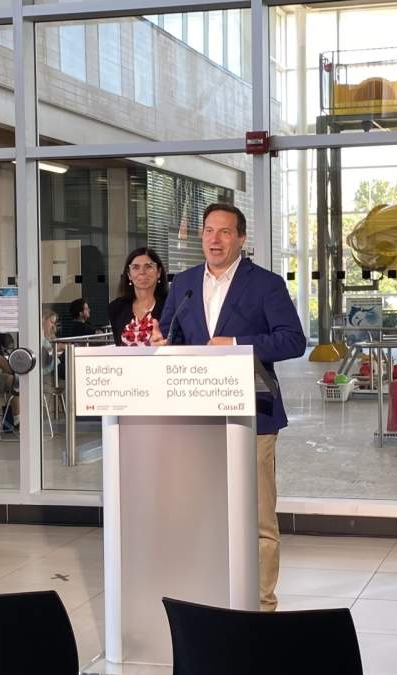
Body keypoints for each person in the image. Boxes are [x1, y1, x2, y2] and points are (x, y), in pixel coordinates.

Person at [153, 202, 305, 611]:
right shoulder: (183, 283)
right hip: (197, 416)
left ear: (241, 239)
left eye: (224, 232)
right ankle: (208, 598)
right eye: (208, 231)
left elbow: (293, 340)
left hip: (253, 414)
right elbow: (174, 341)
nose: (215, 239)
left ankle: (260, 605)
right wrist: (161, 346)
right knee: (202, 513)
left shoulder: (266, 284)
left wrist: (238, 344)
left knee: (257, 519)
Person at [109, 247, 168, 346]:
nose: (142, 272)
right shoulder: (115, 308)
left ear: (159, 272)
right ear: (129, 275)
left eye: (148, 266)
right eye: (136, 267)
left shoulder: (171, 305)